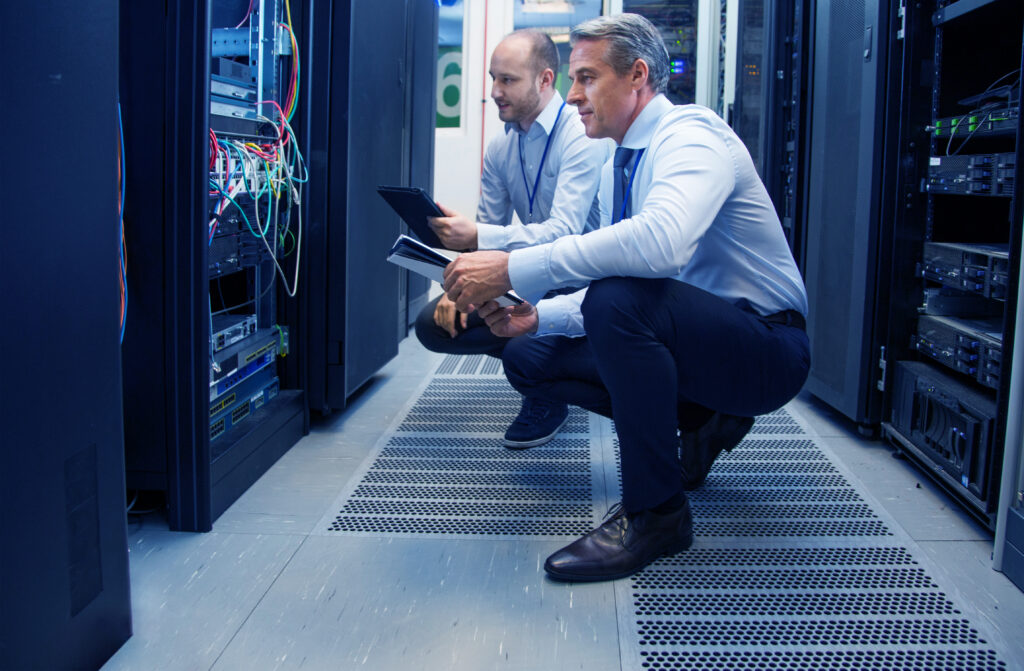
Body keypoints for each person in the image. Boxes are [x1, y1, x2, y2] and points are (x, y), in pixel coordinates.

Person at [441, 13, 810, 582]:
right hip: (695, 344)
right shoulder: (623, 158)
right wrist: (537, 316)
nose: (572, 95)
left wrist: (514, 265)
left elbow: (659, 245)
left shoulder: (691, 135)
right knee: (531, 353)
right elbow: (620, 272)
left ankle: (656, 513)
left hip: (766, 349)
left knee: (617, 301)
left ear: (637, 76)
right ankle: (701, 422)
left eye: (586, 78)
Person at [417, 28, 609, 450]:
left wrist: (478, 235)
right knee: (433, 325)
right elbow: (490, 240)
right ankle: (546, 369)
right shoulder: (501, 148)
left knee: (526, 346)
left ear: (545, 80)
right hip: (528, 275)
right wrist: (462, 287)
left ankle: (548, 385)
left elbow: (564, 233)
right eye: (493, 78)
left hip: (585, 281)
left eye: (507, 80)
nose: (495, 91)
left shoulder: (580, 136)